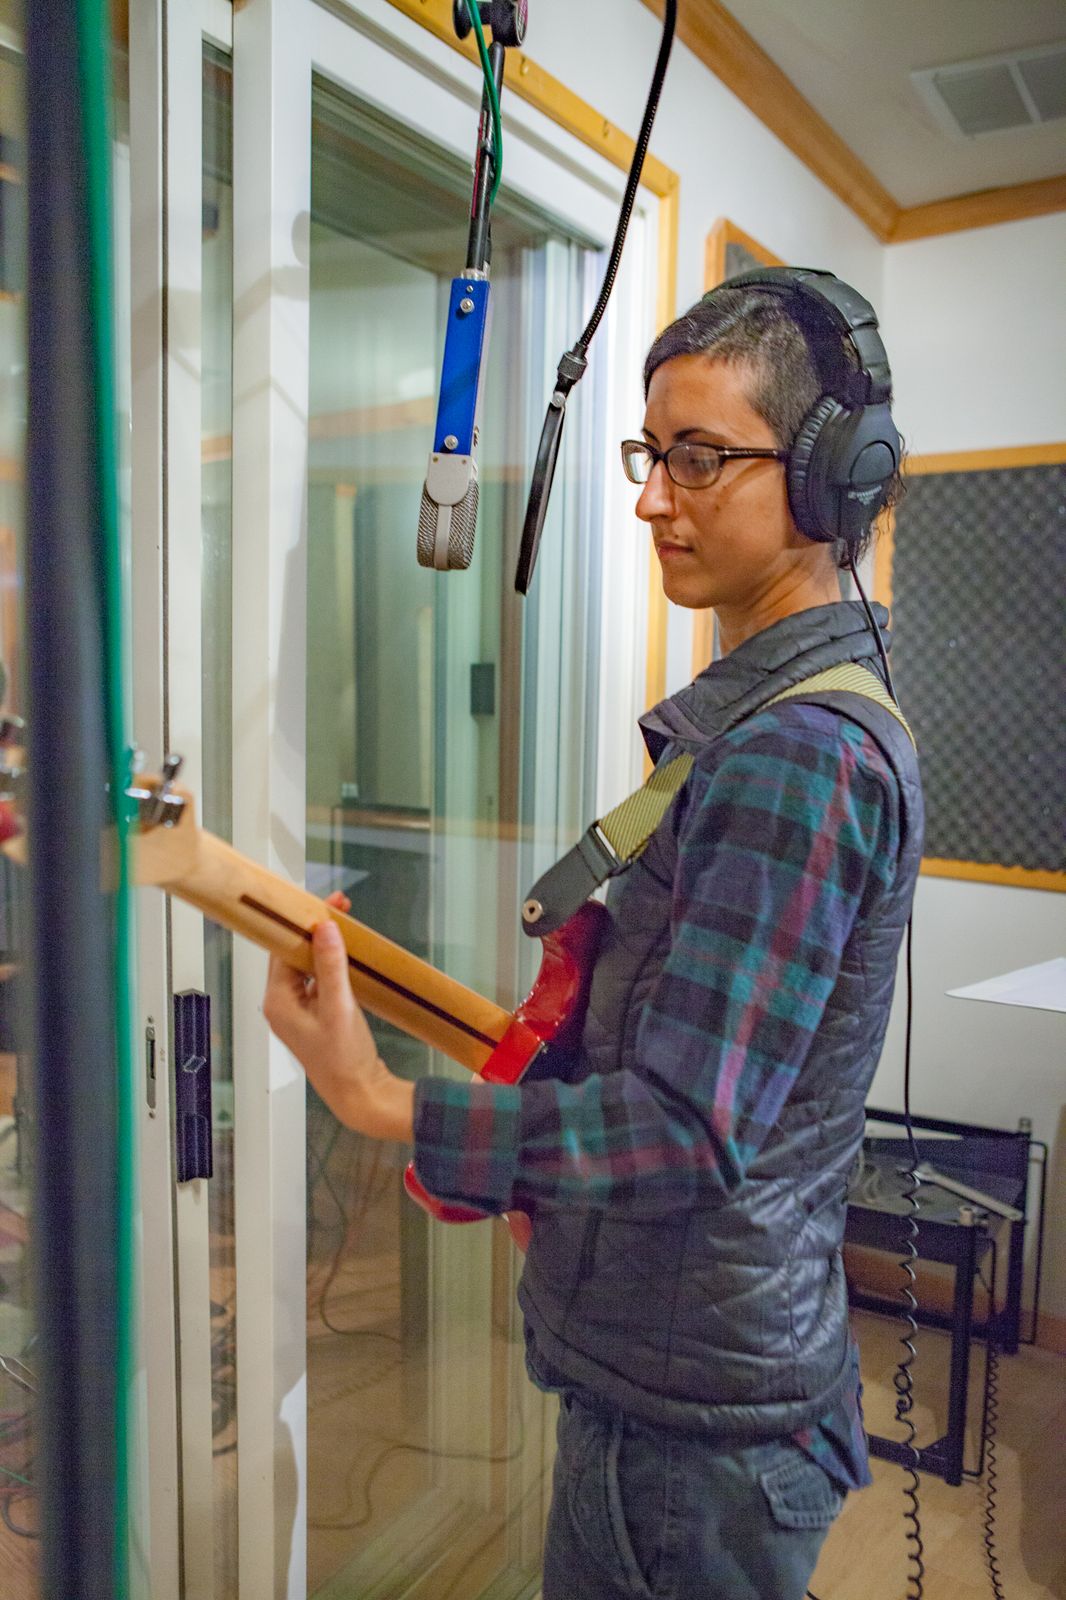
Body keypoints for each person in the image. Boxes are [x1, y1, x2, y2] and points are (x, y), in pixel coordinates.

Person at [264, 273, 924, 1600]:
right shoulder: (767, 726)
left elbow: (686, 1128)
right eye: (650, 453)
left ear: (825, 478)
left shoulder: (797, 755)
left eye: (700, 459)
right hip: (692, 1392)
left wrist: (375, 1098)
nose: (650, 500)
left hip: (689, 1442)